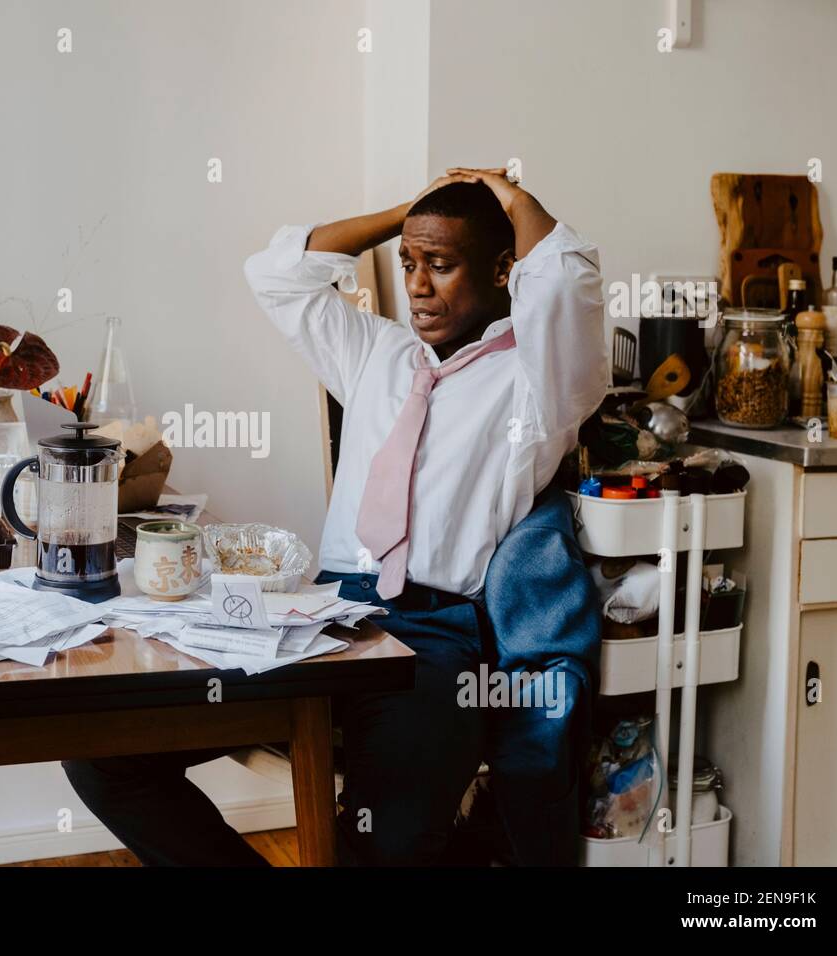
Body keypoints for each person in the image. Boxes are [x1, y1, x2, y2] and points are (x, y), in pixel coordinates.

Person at [62, 168, 607, 865]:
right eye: (409, 264)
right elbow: (276, 274)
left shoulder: (538, 380)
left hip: (431, 642)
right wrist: (405, 215)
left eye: (440, 265)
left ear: (504, 270)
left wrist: (514, 200)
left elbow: (566, 284)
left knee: (385, 845)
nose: (416, 284)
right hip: (323, 617)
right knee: (103, 758)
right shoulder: (378, 352)